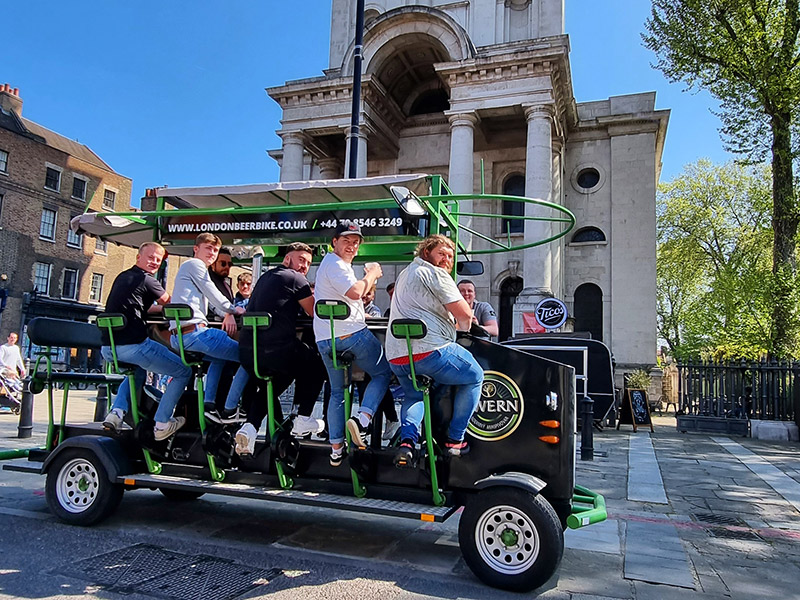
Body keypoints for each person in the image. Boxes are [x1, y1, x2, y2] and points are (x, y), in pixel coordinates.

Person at [386, 234, 484, 464]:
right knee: (474, 376)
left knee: (413, 395)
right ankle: (455, 440)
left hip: (397, 355)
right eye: (442, 253)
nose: (446, 260)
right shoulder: (435, 274)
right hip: (430, 349)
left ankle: (408, 442)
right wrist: (463, 328)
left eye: (450, 256)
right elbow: (465, 315)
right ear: (426, 253)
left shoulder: (405, 273)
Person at [234, 242, 327, 455]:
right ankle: (303, 418)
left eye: (308, 263)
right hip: (275, 350)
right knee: (316, 364)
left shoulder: (264, 278)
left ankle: (249, 428)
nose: (304, 266)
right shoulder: (294, 278)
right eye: (301, 260)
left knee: (273, 385)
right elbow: (314, 311)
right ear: (287, 259)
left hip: (249, 352)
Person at [313, 221, 392, 466]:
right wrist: (372, 273)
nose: (352, 245)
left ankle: (336, 448)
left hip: (325, 339)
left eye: (355, 241)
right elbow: (356, 292)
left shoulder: (331, 265)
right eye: (346, 240)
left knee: (338, 391)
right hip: (350, 335)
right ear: (334, 242)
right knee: (383, 373)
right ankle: (363, 419)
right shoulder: (336, 264)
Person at [100, 242, 192, 440]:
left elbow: (140, 307)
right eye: (151, 257)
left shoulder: (122, 277)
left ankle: (116, 413)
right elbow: (171, 304)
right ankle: (162, 422)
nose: (155, 262)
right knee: (184, 371)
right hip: (133, 346)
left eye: (158, 260)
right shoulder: (147, 280)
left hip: (108, 348)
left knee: (137, 371)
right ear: (138, 257)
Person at [170, 233, 247, 423]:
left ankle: (209, 405)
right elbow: (214, 296)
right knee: (250, 358)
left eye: (215, 250)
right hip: (197, 333)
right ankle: (231, 410)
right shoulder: (195, 265)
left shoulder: (191, 269)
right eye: (208, 248)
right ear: (196, 249)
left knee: (219, 359)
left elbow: (211, 304)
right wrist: (234, 310)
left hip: (181, 336)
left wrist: (226, 313)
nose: (212, 253)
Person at [207, 247, 235, 321]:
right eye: (223, 264)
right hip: (211, 325)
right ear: (213, 264)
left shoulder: (227, 285)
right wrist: (227, 314)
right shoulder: (207, 281)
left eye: (229, 264)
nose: (227, 267)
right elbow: (211, 304)